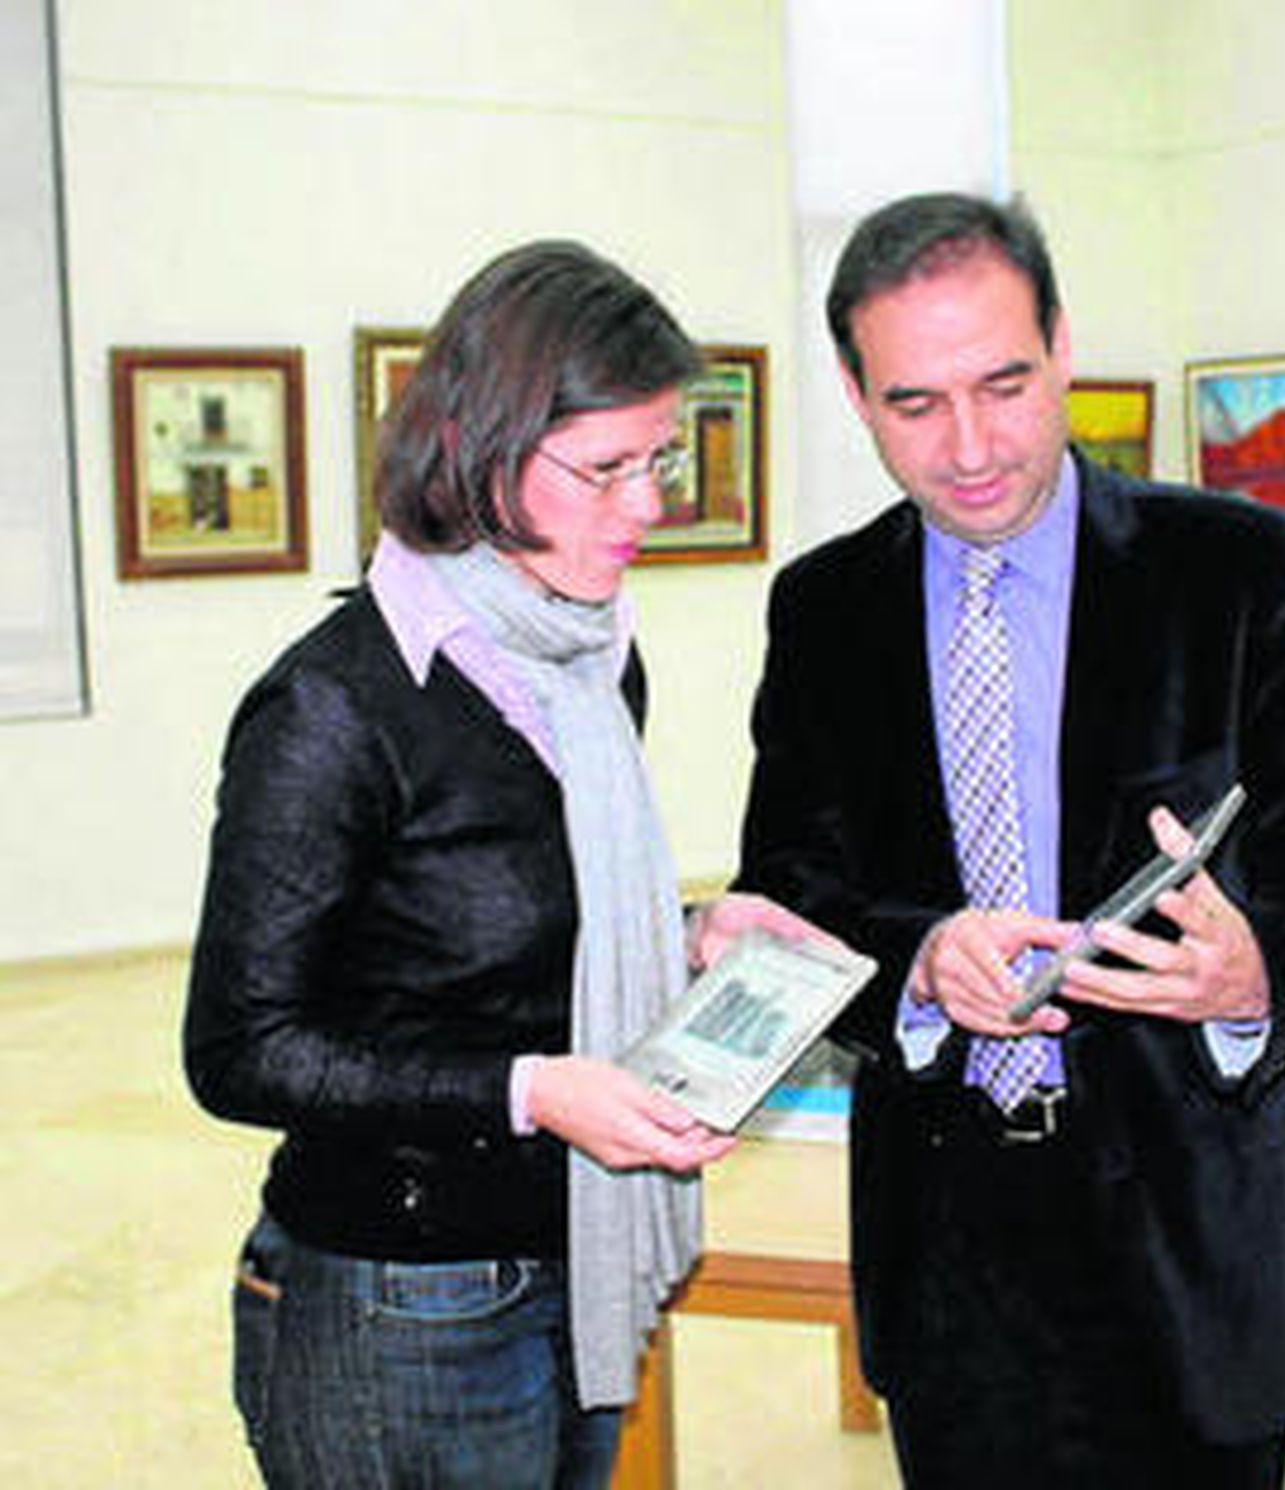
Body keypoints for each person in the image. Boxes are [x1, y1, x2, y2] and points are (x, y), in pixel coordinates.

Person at [735, 192, 1285, 1488]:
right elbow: (791, 893)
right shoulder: (822, 610)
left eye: (1005, 383)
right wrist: (923, 956)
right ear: (852, 390)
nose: (973, 445)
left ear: (1062, 345)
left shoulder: (1234, 568)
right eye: (915, 404)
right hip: (951, 1260)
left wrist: (1257, 971)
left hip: (1193, 1248)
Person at [184, 239, 823, 1490]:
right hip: (396, 1303)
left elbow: (528, 912)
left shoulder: (590, 658)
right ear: (479, 453)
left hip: (569, 1259)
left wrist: (687, 928)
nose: (646, 505)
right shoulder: (334, 707)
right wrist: (533, 1090)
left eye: (660, 462)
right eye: (604, 469)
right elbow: (240, 1047)